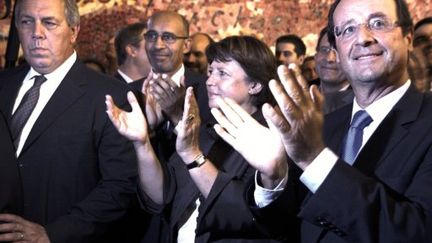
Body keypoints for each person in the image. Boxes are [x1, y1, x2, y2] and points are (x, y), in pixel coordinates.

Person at [209, 0, 432, 242]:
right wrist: (274, 177)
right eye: (348, 29)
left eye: (378, 23)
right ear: (337, 50)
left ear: (408, 37)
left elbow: (417, 232)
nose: (363, 38)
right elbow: (282, 229)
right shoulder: (323, 125)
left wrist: (315, 160)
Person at [106, 35, 284, 243]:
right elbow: (160, 197)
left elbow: (243, 216)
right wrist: (142, 141)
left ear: (254, 85)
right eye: (210, 72)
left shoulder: (271, 141)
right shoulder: (206, 132)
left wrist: (193, 155)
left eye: (222, 73)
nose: (209, 81)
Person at [0, 0, 138, 242]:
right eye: (26, 22)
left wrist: (52, 234)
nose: (37, 34)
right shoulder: (3, 84)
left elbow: (119, 187)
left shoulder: (110, 96)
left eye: (49, 23)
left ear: (74, 31)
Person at [143, 10, 209, 162]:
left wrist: (177, 115)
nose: (158, 45)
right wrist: (149, 130)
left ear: (186, 45)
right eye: (151, 36)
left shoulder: (209, 89)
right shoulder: (127, 91)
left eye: (168, 37)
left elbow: (211, 149)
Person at [314, 27, 353, 114]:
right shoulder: (301, 93)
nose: (329, 58)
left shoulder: (362, 100)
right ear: (315, 56)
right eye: (324, 50)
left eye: (338, 52)